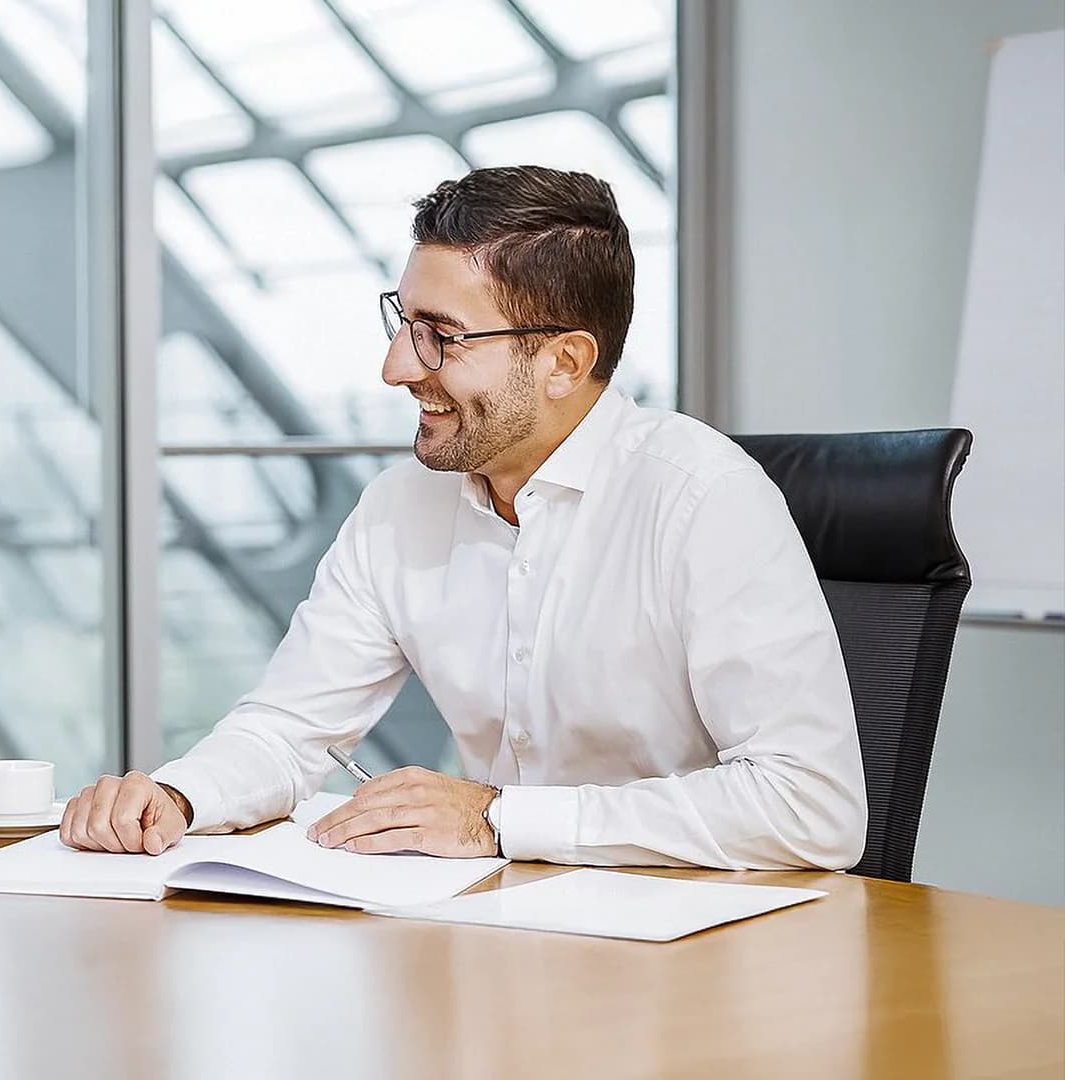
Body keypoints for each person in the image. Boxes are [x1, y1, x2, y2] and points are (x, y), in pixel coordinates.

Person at [61, 166, 867, 870]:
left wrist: (498, 819)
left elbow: (812, 806)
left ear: (564, 362)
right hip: (499, 933)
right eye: (403, 323)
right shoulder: (399, 508)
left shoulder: (704, 501)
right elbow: (288, 729)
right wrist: (177, 794)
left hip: (699, 962)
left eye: (441, 337)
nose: (397, 367)